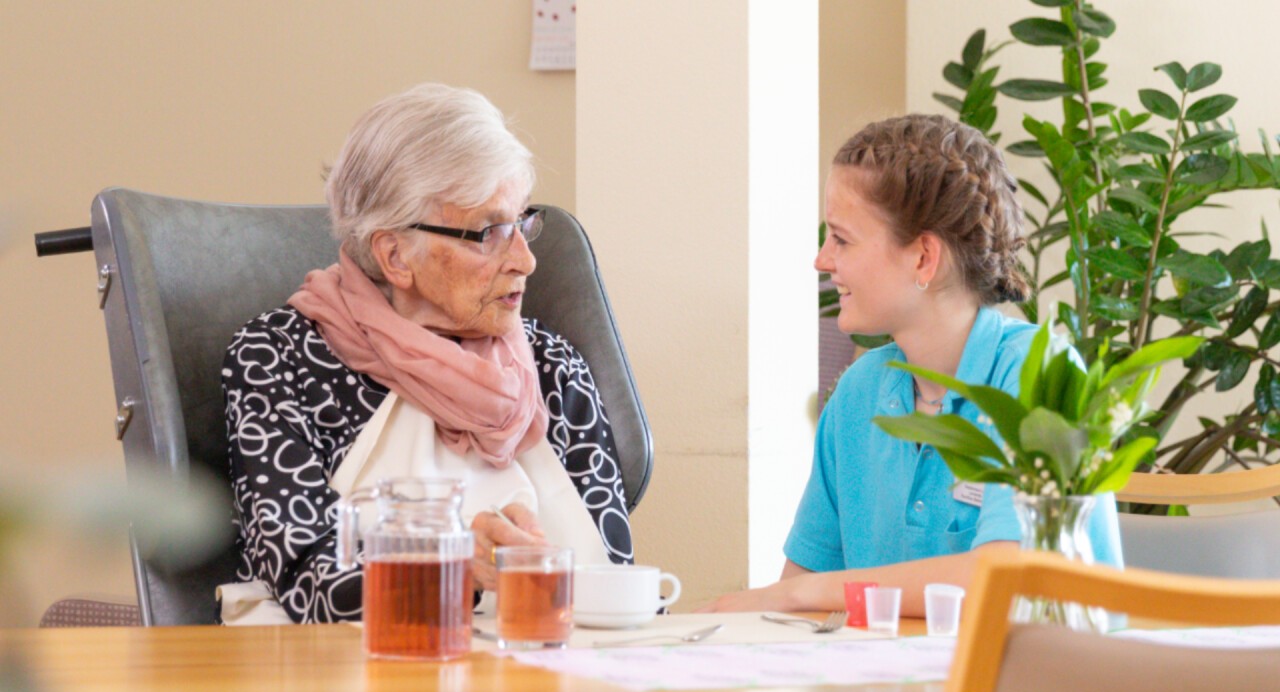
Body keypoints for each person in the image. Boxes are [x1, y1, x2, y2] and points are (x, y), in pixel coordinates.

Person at [218, 83, 632, 624]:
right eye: (490, 232)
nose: (526, 261)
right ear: (395, 255)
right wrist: (460, 566)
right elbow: (307, 585)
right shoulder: (279, 359)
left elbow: (613, 578)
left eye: (523, 223)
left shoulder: (552, 367)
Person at [702, 114, 1122, 617]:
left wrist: (799, 594)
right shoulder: (859, 392)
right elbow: (799, 597)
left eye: (841, 238)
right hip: (885, 691)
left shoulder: (1041, 373)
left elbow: (1004, 578)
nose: (821, 260)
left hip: (1026, 690)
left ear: (924, 258)